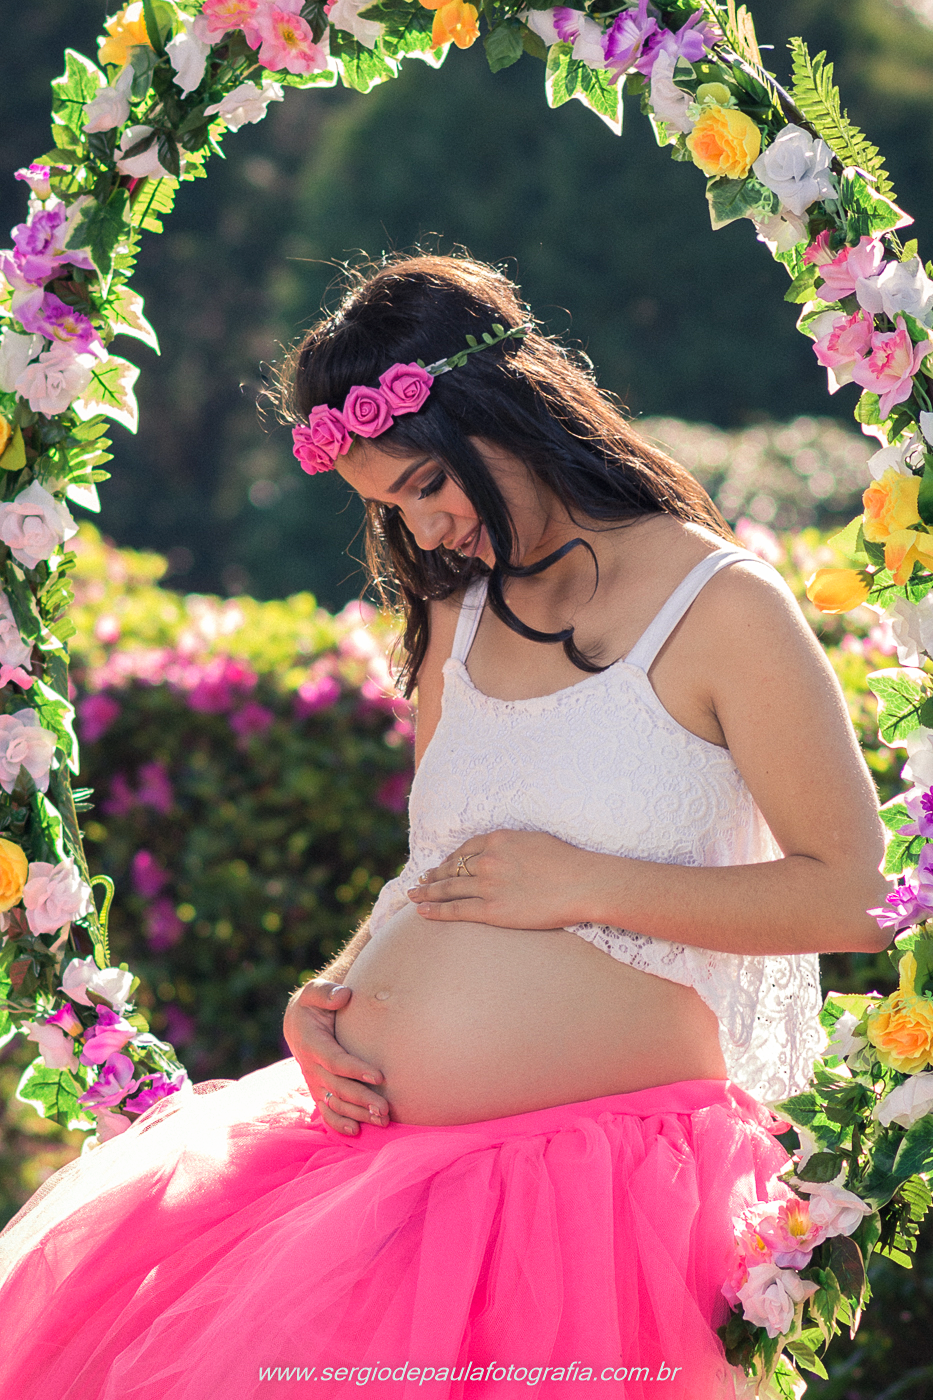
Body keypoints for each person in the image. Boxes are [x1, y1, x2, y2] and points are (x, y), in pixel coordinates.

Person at [0, 254, 888, 1399]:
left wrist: (583, 882)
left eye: (427, 484)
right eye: (389, 506)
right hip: (384, 1169)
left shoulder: (722, 606)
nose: (424, 526)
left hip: (585, 1200)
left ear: (503, 412)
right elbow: (438, 872)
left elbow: (855, 891)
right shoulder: (455, 615)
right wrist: (330, 996)